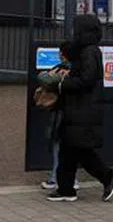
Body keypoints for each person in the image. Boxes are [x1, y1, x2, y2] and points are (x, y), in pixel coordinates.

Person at [46, 14, 113, 203]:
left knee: (81, 150)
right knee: (68, 150)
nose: (74, 32)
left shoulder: (90, 51)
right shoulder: (83, 50)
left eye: (76, 29)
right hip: (76, 108)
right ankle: (66, 189)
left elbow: (87, 79)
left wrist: (61, 84)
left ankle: (108, 176)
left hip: (83, 108)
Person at [40, 43, 80, 191]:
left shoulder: (65, 69)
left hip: (62, 114)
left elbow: (45, 79)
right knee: (62, 147)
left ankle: (63, 179)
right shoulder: (75, 68)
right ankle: (58, 178)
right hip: (66, 113)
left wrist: (49, 75)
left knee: (61, 147)